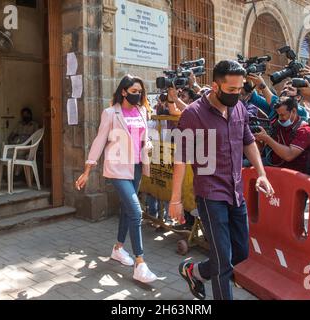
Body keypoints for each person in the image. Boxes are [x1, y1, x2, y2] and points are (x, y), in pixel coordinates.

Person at [169, 60, 275, 300]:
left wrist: (262, 174)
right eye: (231, 90)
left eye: (240, 89)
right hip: (210, 194)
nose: (237, 94)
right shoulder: (193, 114)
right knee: (222, 262)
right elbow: (180, 159)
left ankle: (194, 271)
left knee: (240, 252)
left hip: (236, 191)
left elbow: (248, 141)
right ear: (215, 86)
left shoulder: (238, 108)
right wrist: (175, 200)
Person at [75, 75, 157, 284]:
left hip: (137, 166)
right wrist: (87, 170)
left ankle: (118, 249)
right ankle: (140, 263)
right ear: (123, 91)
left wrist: (147, 143)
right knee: (136, 211)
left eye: (140, 91)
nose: (138, 95)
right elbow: (99, 141)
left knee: (127, 210)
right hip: (117, 168)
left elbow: (144, 135)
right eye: (134, 91)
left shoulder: (142, 111)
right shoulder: (111, 113)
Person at [254, 96, 310, 176]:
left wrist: (267, 139)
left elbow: (289, 155)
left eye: (282, 115)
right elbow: (263, 148)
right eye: (278, 115)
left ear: (293, 111)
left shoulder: (305, 130)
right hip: (274, 168)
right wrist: (257, 137)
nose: (280, 118)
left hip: (296, 177)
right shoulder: (277, 124)